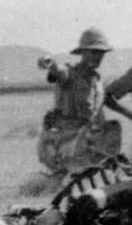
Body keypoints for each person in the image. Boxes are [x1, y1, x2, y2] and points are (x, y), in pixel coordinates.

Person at [36, 27, 131, 173]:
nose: (97, 57)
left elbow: (104, 103)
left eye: (100, 53)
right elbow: (59, 71)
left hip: (86, 143)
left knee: (112, 129)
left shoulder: (97, 81)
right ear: (82, 53)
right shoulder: (70, 74)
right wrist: (49, 61)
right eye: (92, 52)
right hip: (65, 142)